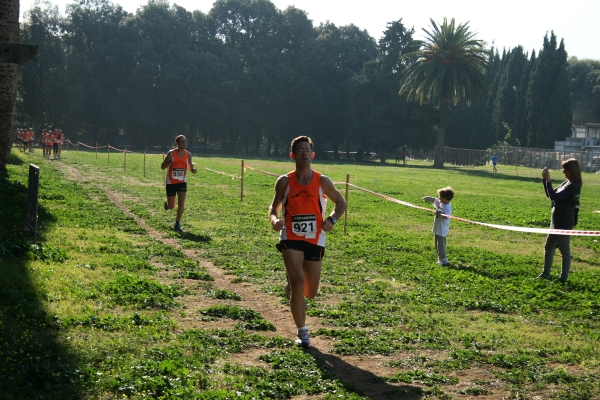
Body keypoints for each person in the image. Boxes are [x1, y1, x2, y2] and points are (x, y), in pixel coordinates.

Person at [269, 136, 347, 348]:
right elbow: (274, 207)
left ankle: (292, 282)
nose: (304, 153)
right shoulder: (285, 181)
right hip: (290, 237)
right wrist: (275, 220)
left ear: (312, 155)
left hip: (315, 238)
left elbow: (341, 203)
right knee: (298, 284)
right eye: (300, 150)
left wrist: (332, 219)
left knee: (309, 292)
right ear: (292, 155)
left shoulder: (322, 181)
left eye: (308, 150)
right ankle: (302, 331)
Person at [537, 159, 582, 283]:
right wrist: (545, 181)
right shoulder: (566, 183)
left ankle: (563, 278)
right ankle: (546, 274)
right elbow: (550, 194)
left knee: (564, 250)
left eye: (565, 169)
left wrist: (549, 181)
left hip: (564, 223)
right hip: (556, 222)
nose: (563, 172)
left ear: (571, 170)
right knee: (549, 247)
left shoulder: (574, 186)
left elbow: (555, 197)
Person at [161, 135, 197, 233]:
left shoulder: (188, 154)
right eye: (182, 142)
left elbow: (190, 166)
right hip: (171, 182)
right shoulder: (171, 153)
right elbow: (162, 167)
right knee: (172, 206)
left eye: (185, 141)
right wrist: (170, 162)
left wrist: (193, 170)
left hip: (182, 181)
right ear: (177, 143)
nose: (184, 143)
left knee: (181, 202)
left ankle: (177, 223)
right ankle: (168, 204)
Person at [422, 186, 455, 266]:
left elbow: (446, 216)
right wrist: (427, 198)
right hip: (437, 228)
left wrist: (440, 212)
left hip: (442, 229)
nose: (439, 197)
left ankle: (444, 260)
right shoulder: (442, 203)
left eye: (440, 196)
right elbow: (435, 200)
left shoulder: (447, 206)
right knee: (437, 244)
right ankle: (440, 259)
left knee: (441, 245)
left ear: (445, 197)